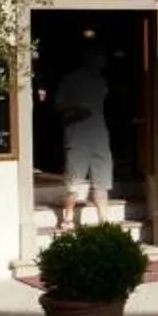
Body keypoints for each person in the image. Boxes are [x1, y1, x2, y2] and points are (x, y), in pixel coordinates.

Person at [51, 45, 114, 230]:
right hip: (77, 137)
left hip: (99, 136)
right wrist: (75, 109)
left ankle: (104, 220)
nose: (102, 61)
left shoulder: (101, 81)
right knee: (74, 180)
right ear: (89, 58)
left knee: (102, 180)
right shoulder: (70, 80)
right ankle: (68, 218)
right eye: (99, 57)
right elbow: (57, 106)